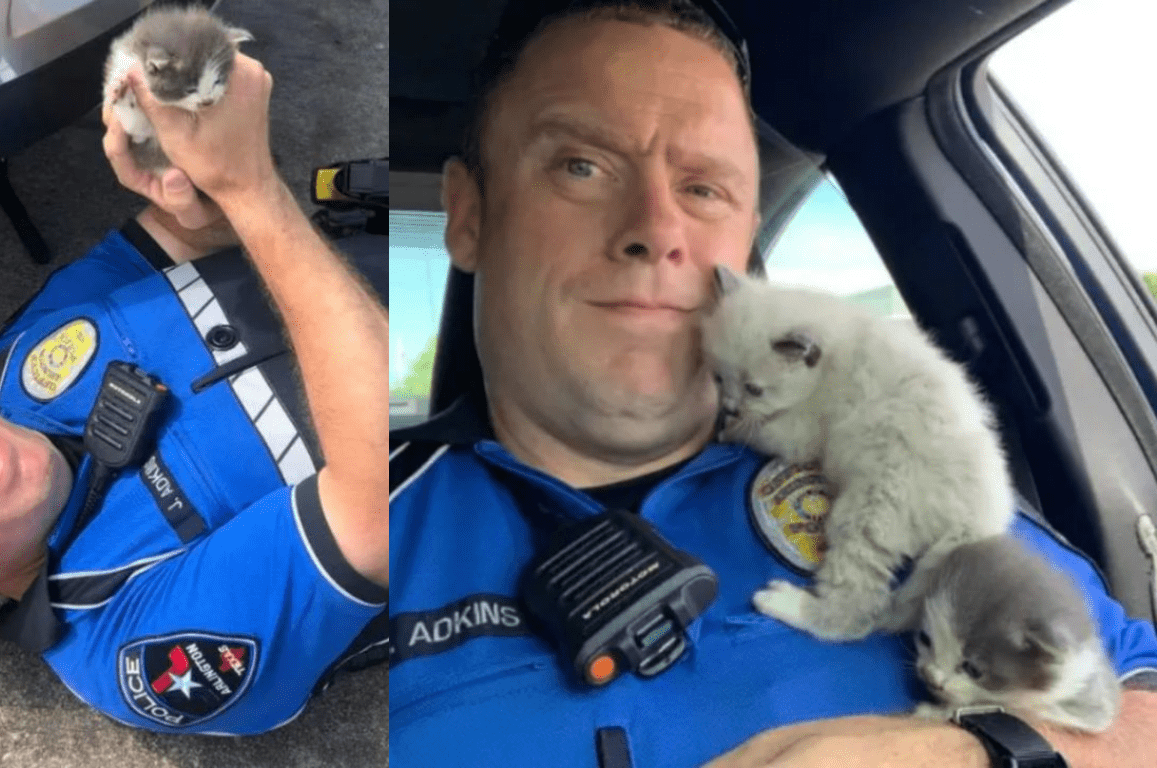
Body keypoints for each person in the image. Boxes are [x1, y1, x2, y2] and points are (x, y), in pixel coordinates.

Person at [387, 2, 1157, 766]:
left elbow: (1134, 696)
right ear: (469, 214)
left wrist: (974, 755)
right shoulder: (358, 530)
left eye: (703, 188)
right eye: (581, 165)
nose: (657, 227)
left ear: (744, 240)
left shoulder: (907, 472)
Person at [0, 50, 388, 735]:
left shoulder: (6, 368)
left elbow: (193, 232)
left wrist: (182, 156)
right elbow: (377, 504)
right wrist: (253, 191)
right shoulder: (129, 642)